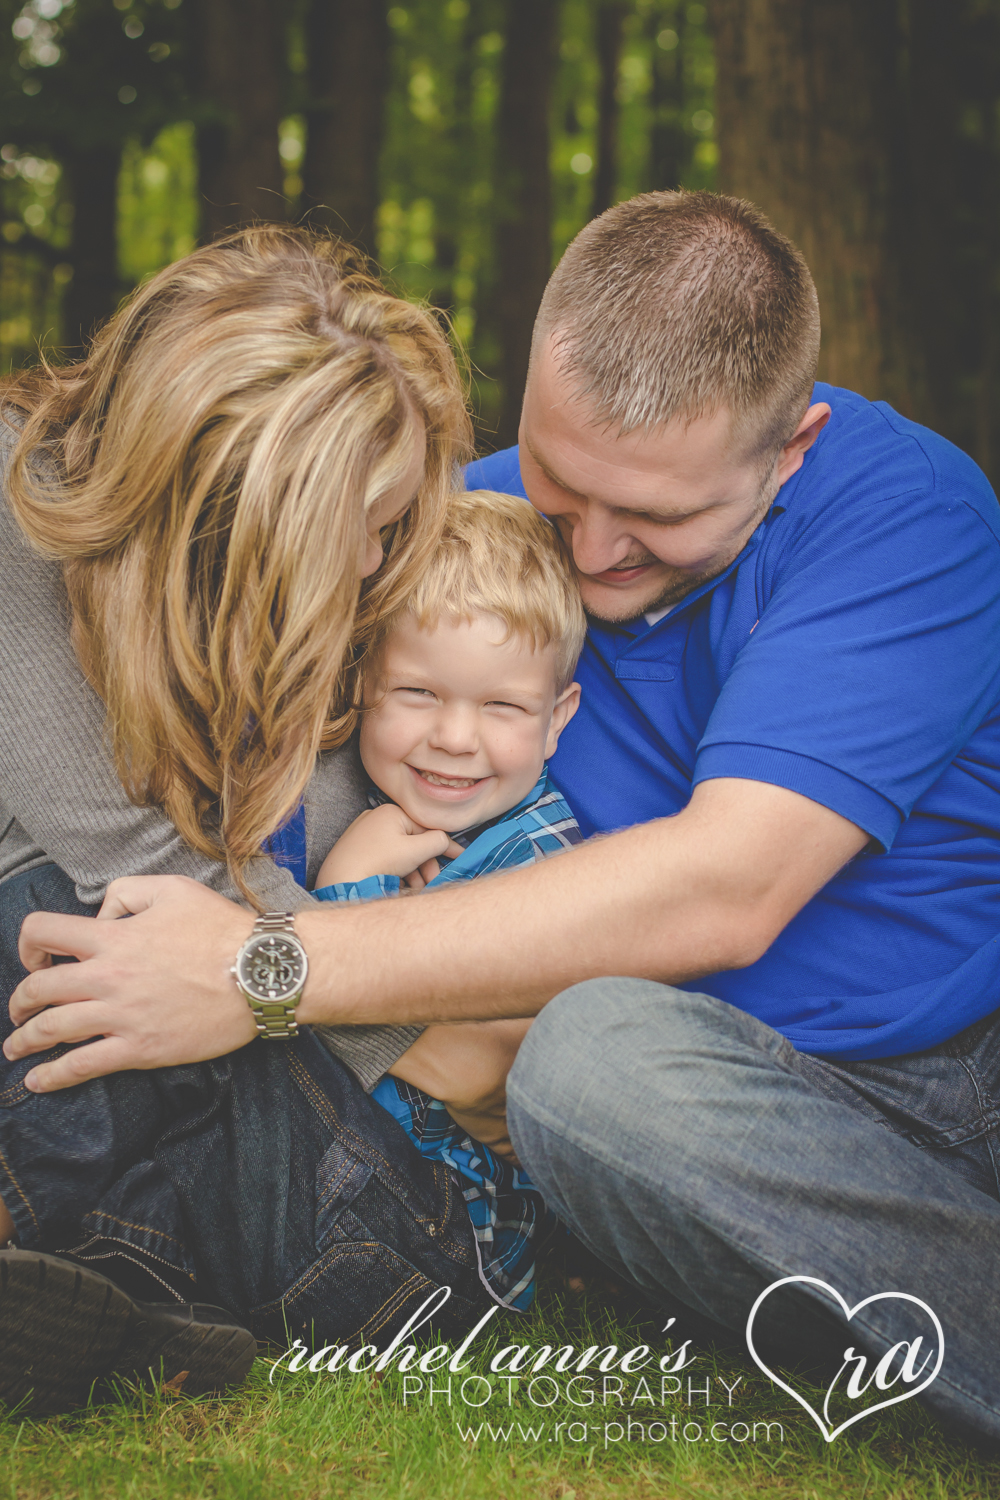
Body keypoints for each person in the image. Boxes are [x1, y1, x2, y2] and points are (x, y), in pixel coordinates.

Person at [7, 191, 1000, 1439]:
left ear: (788, 448)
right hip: (601, 1115)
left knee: (582, 1059)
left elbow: (728, 886)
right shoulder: (459, 528)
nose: (588, 552)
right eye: (558, 484)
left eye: (660, 518)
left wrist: (268, 967)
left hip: (929, 1075)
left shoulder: (900, 514)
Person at [0, 224, 498, 1412]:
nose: (388, 565)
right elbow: (147, 859)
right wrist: (446, 1043)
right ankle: (100, 1264)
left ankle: (128, 1279)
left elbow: (261, 919)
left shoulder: (368, 576)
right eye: (364, 531)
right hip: (56, 966)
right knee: (75, 918)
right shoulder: (27, 522)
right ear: (233, 521)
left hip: (232, 1045)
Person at [312, 486, 587, 1311]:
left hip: (445, 1238)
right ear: (360, 682)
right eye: (419, 693)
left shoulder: (544, 869)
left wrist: (346, 892)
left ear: (556, 719)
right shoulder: (364, 806)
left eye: (502, 706)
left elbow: (474, 1063)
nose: (456, 739)